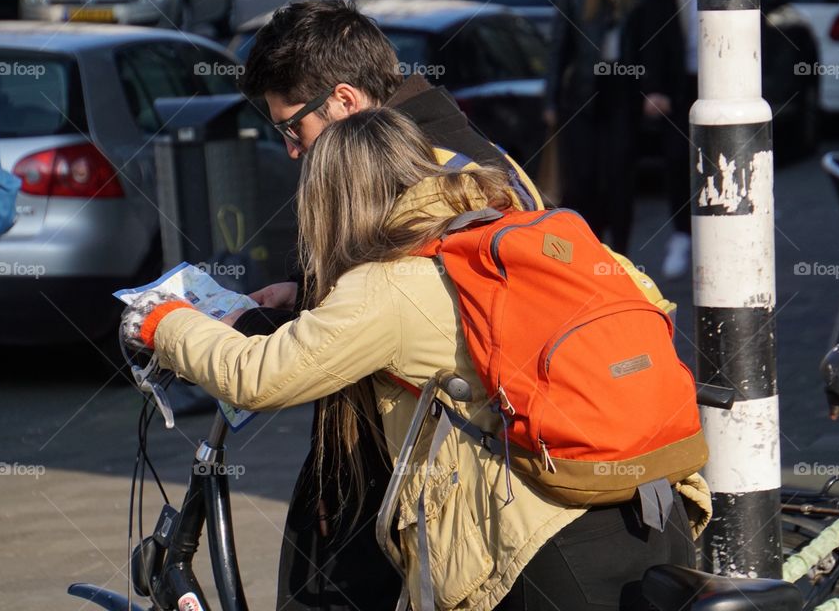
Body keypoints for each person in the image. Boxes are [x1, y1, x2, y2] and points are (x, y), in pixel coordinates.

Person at [121, 108, 712, 611]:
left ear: (332, 204)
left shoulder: (390, 284)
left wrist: (162, 321)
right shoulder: (538, 232)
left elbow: (256, 376)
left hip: (541, 547)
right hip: (656, 509)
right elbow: (653, 304)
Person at [233, 0, 678, 611]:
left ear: (342, 101)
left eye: (292, 127)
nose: (291, 150)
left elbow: (407, 303)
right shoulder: (461, 149)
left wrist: (182, 327)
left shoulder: (421, 172)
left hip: (434, 460)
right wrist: (305, 293)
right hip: (433, 453)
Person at [543, 0, 643, 255]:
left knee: (619, 178)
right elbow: (558, 50)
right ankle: (590, 247)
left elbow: (641, 44)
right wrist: (550, 101)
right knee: (582, 179)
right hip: (583, 97)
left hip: (622, 94)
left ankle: (621, 250)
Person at [640, 0, 699, 279]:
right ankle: (682, 234)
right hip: (679, 80)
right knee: (678, 159)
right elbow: (653, 24)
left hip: (724, 76)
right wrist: (654, 86)